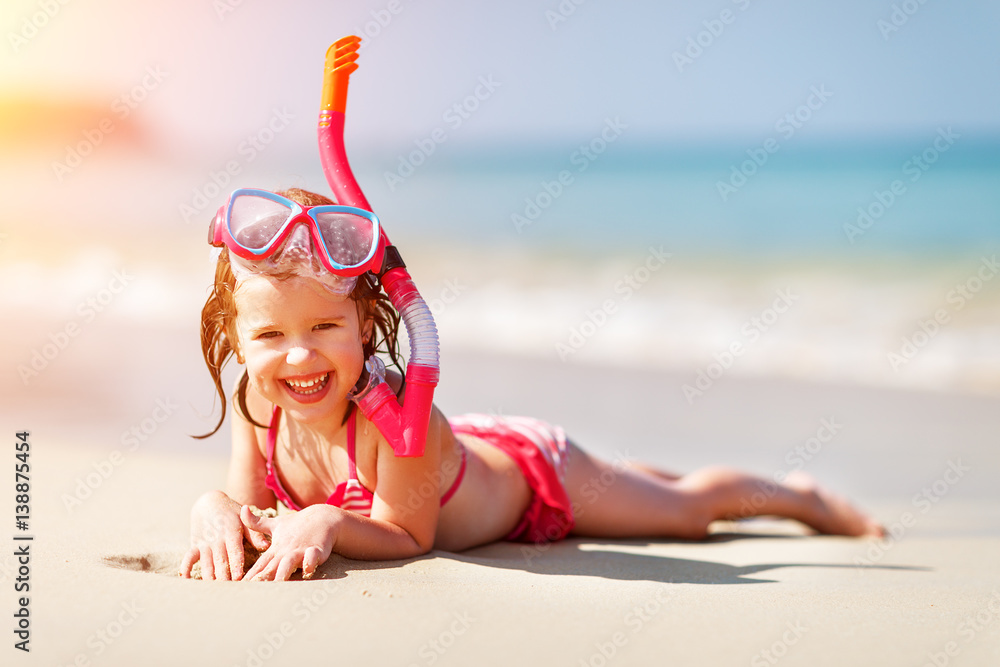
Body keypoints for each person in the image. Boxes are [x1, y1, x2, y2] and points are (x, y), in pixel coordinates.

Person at [179, 187, 883, 582]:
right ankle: (630, 477)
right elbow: (252, 513)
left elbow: (409, 534)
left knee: (686, 511)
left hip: (538, 476)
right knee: (634, 485)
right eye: (270, 336)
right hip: (477, 460)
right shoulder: (257, 405)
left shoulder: (401, 423)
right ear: (238, 339)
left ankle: (801, 495)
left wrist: (328, 517)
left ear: (366, 323)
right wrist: (212, 507)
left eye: (323, 327)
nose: (298, 356)